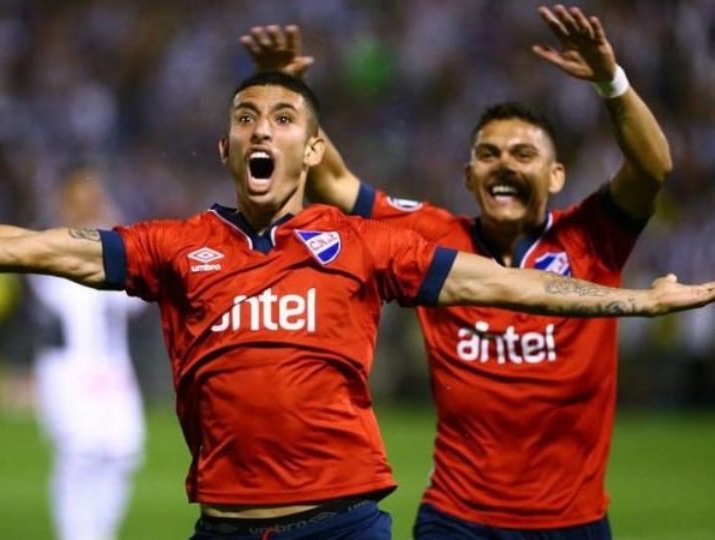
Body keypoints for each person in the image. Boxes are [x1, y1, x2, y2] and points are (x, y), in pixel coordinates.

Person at [0, 69, 714, 539]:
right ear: (226, 150)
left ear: (313, 153)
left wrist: (631, 303)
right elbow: (34, 246)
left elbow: (508, 283)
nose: (262, 130)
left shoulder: (366, 243)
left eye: (283, 119)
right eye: (245, 119)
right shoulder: (175, 247)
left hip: (344, 523)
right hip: (225, 525)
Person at [240, 6, 674, 539]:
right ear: (470, 176)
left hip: (572, 522)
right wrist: (285, 97)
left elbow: (653, 167)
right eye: (488, 154)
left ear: (557, 175)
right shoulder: (434, 236)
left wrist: (612, 81)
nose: (504, 164)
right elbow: (332, 182)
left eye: (523, 154)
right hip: (457, 519)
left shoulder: (592, 237)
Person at [28, 168, 146, 540]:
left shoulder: (113, 248)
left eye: (93, 197)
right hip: (68, 368)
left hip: (113, 369)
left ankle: (99, 534)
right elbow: (49, 295)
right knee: (79, 457)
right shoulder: (50, 245)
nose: (88, 206)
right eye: (79, 198)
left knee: (122, 454)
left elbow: (138, 299)